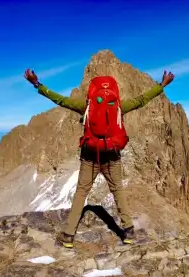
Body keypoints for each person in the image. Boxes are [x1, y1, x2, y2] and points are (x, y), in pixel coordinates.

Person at [24, 68, 175, 248]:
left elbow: (60, 99)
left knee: (81, 192)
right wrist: (161, 85)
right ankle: (128, 231)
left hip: (90, 156)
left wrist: (37, 84)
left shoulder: (85, 106)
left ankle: (69, 235)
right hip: (112, 155)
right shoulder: (119, 106)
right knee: (117, 189)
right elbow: (141, 100)